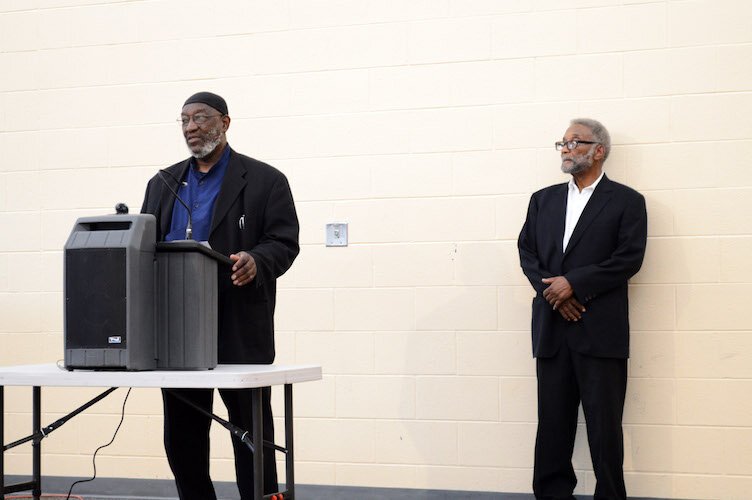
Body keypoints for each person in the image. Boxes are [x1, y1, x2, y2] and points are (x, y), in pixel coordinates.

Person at [141, 92, 300, 499]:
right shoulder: (162, 183)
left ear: (225, 122)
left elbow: (284, 242)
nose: (191, 127)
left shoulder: (266, 180)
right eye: (184, 120)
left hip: (238, 327)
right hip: (177, 329)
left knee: (251, 434)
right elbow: (141, 249)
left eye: (201, 118)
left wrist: (257, 259)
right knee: (182, 436)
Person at [517, 118, 647, 499]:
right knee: (552, 424)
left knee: (604, 427)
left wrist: (575, 284)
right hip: (552, 330)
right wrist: (555, 294)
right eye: (563, 142)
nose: (567, 148)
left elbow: (628, 258)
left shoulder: (626, 201)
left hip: (599, 330)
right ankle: (552, 493)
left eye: (575, 142)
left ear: (599, 150)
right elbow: (528, 253)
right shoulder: (543, 200)